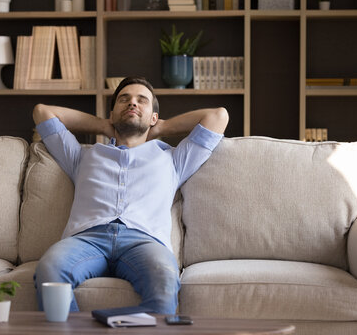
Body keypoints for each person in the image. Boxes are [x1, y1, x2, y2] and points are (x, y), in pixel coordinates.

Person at [32, 76, 228, 314]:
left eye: (141, 100)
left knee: (165, 278)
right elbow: (42, 112)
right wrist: (104, 126)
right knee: (49, 269)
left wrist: (161, 128)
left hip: (144, 241)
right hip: (86, 239)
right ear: (112, 114)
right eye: (124, 99)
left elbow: (219, 116)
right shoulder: (82, 156)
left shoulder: (174, 160)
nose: (132, 103)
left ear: (154, 117)